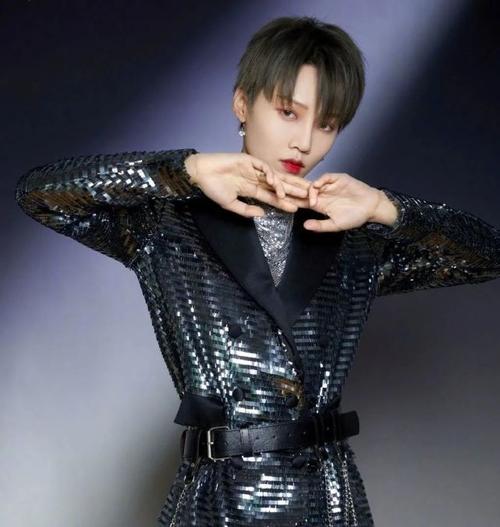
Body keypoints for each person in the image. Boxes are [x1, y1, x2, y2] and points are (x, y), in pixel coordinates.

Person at [14, 15, 500, 527]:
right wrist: (185, 170)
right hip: (216, 497)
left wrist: (386, 207)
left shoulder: (356, 240)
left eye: (327, 124)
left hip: (326, 497)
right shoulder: (166, 223)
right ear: (242, 104)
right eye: (289, 112)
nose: (304, 142)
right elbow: (42, 196)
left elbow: (486, 255)